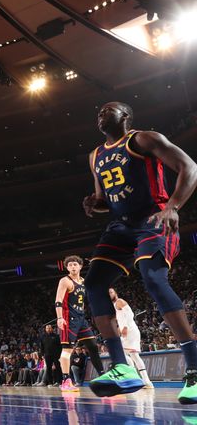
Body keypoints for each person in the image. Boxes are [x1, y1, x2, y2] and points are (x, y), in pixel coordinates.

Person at [82, 101, 197, 402]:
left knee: (154, 279)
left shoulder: (143, 139)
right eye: (99, 111)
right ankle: (122, 367)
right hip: (120, 225)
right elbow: (107, 196)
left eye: (108, 109)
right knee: (93, 283)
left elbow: (190, 167)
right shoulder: (95, 155)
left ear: (126, 116)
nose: (101, 113)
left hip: (153, 217)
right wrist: (96, 202)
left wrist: (173, 207)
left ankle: (195, 369)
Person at [54, 255, 104, 392]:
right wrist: (59, 318)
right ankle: (65, 380)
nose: (72, 267)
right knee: (67, 350)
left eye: (75, 264)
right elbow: (58, 300)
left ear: (80, 266)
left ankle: (102, 375)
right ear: (67, 268)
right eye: (70, 265)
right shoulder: (65, 281)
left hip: (81, 318)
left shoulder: (83, 281)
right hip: (68, 318)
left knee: (93, 346)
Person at [110, 287, 153, 388]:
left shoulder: (119, 301)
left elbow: (130, 314)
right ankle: (146, 381)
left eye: (111, 292)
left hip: (130, 330)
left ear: (115, 292)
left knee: (120, 352)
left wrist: (125, 327)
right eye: (108, 293)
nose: (110, 294)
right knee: (134, 356)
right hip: (128, 331)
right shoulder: (113, 305)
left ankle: (135, 376)